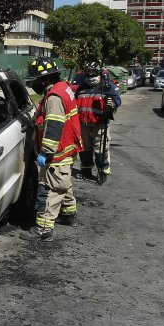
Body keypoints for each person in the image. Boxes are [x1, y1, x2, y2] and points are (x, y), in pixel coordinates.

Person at [26, 56, 83, 241]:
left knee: (50, 188)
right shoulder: (63, 88)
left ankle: (43, 230)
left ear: (46, 79)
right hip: (68, 148)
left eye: (35, 80)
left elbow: (54, 127)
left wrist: (46, 153)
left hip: (57, 152)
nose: (34, 83)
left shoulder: (54, 97)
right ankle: (68, 215)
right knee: (63, 182)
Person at [75, 64, 121, 185]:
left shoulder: (107, 86)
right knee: (85, 149)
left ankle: (103, 171)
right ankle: (86, 170)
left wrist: (113, 104)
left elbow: (117, 99)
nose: (90, 76)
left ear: (98, 73)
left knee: (100, 150)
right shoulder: (81, 87)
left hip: (100, 125)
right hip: (84, 125)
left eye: (92, 72)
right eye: (87, 73)